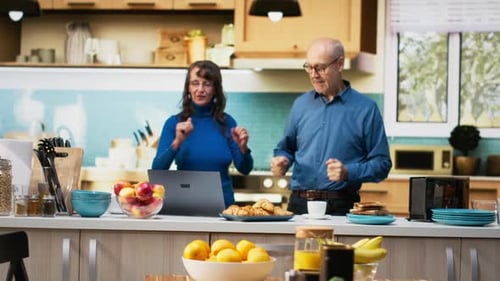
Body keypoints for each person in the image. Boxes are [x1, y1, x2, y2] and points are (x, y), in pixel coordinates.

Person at [270, 37, 392, 215]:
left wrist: (348, 172)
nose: (313, 74)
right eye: (309, 67)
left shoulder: (366, 109)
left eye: (320, 67)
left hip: (341, 206)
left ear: (340, 64)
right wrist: (282, 160)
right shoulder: (300, 105)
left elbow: (382, 164)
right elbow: (285, 148)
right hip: (299, 205)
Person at [152, 60, 253, 207]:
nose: (200, 89)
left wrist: (243, 148)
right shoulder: (174, 124)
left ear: (215, 89)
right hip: (184, 208)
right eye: (195, 83)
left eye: (207, 84)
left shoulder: (227, 123)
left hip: (223, 210)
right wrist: (177, 142)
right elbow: (157, 172)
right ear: (188, 87)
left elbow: (245, 169)